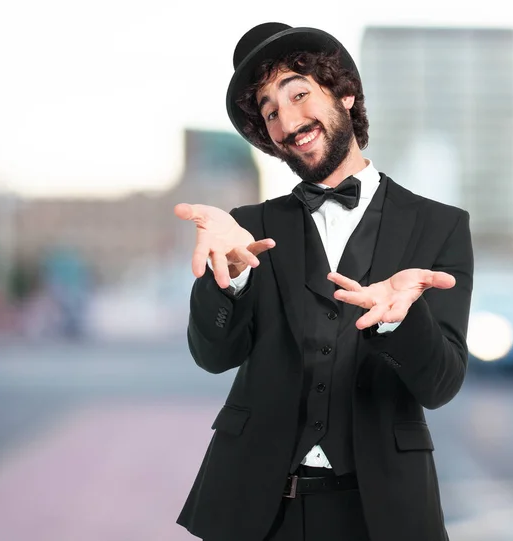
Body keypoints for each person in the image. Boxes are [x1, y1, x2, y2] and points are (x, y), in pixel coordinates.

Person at [174, 22, 474, 541]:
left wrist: (402, 319)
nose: (287, 121)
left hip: (383, 512)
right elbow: (212, 355)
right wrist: (232, 281)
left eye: (298, 94)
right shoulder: (248, 226)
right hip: (257, 509)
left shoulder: (441, 225)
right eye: (270, 113)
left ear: (345, 93)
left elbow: (441, 384)